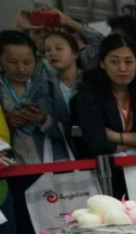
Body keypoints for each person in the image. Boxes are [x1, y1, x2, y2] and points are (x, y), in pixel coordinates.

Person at [72, 34, 136, 196]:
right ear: (103, 63)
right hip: (106, 175)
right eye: (114, 61)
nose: (123, 68)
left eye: (129, 61)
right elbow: (98, 143)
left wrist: (118, 137)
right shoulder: (89, 93)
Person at [0, 30, 57, 165]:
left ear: (36, 60)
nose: (21, 68)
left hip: (48, 163)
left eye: (27, 62)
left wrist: (43, 119)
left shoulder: (48, 87)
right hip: (10, 168)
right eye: (13, 62)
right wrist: (5, 120)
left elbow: (64, 130)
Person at [15, 6, 105, 71]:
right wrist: (20, 28)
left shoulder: (77, 59)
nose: (43, 35)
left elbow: (101, 42)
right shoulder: (29, 66)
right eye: (37, 32)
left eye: (47, 30)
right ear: (29, 36)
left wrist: (66, 20)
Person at [44, 31, 81, 159]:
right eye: (47, 50)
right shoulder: (46, 86)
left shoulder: (89, 81)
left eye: (59, 48)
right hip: (62, 152)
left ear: (75, 54)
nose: (52, 53)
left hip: (92, 149)